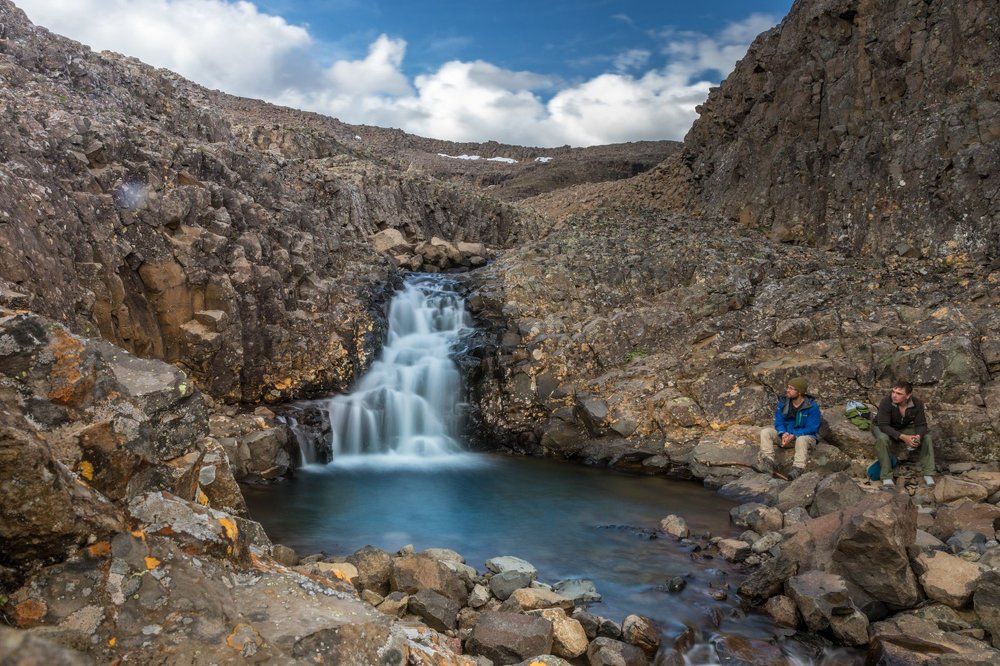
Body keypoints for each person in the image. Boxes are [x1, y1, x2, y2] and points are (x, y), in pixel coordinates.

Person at [873, 380, 936, 488]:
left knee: (927, 438)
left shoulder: (917, 403)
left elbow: (921, 425)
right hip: (881, 426)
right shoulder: (886, 402)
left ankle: (928, 474)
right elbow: (883, 425)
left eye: (899, 393)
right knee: (883, 439)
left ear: (908, 395)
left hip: (903, 427)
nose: (894, 395)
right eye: (893, 392)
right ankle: (886, 477)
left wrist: (918, 437)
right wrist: (903, 437)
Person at [755, 377, 821, 480]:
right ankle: (768, 462)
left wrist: (794, 434)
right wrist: (783, 433)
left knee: (801, 439)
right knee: (766, 432)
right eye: (788, 387)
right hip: (786, 436)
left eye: (791, 388)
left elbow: (812, 428)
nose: (787, 390)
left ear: (799, 392)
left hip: (804, 438)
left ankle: (798, 468)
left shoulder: (812, 406)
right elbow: (779, 421)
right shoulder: (784, 402)